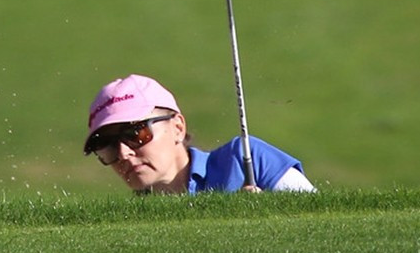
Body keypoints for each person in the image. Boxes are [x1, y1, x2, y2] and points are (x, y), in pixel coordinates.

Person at [83, 74, 316, 195]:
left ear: (177, 127)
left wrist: (271, 215)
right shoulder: (130, 225)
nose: (123, 153)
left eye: (136, 133)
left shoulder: (246, 158)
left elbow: (320, 223)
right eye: (108, 146)